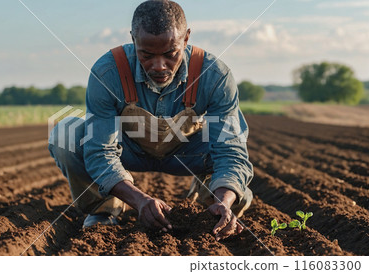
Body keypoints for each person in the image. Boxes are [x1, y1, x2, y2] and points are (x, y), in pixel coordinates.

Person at [48, 0, 253, 241]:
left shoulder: (215, 76)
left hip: (188, 153)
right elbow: (99, 151)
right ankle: (104, 208)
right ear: (133, 39)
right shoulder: (108, 72)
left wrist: (224, 199)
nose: (159, 66)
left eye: (170, 54)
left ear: (186, 39)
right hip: (128, 149)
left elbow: (230, 152)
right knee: (65, 134)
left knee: (235, 193)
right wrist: (140, 201)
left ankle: (211, 203)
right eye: (146, 55)